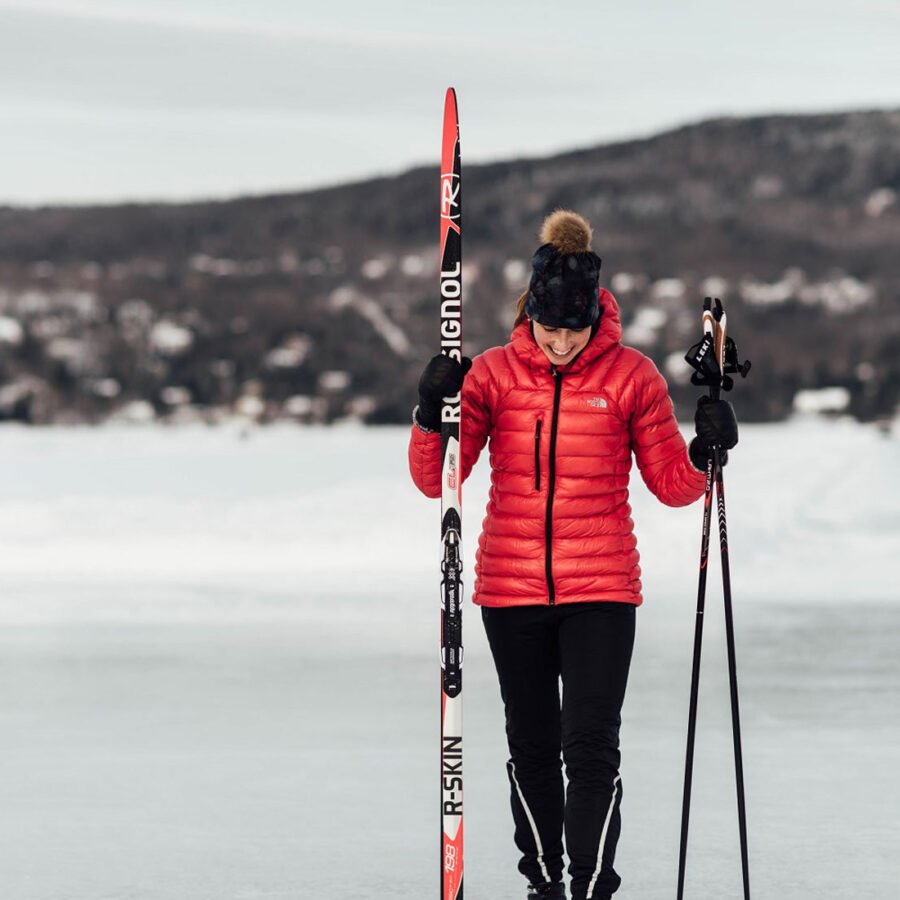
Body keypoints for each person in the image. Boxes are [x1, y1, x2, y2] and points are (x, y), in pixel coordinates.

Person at [408, 210, 737, 900]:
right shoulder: (492, 375)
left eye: (574, 330)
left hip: (603, 590)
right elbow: (437, 478)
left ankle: (589, 885)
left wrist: (708, 452)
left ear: (596, 317)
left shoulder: (631, 377)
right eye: (549, 329)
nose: (560, 344)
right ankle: (546, 882)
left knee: (589, 748)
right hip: (510, 590)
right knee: (530, 750)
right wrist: (429, 410)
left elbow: (672, 486)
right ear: (529, 314)